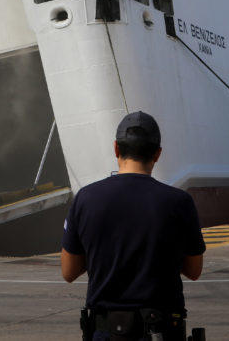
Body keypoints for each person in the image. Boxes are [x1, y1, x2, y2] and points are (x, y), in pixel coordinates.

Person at [61, 111, 206, 340]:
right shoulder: (179, 202)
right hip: (160, 331)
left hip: (106, 332)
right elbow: (194, 270)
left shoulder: (85, 198)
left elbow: (68, 271)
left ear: (116, 149)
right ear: (157, 154)